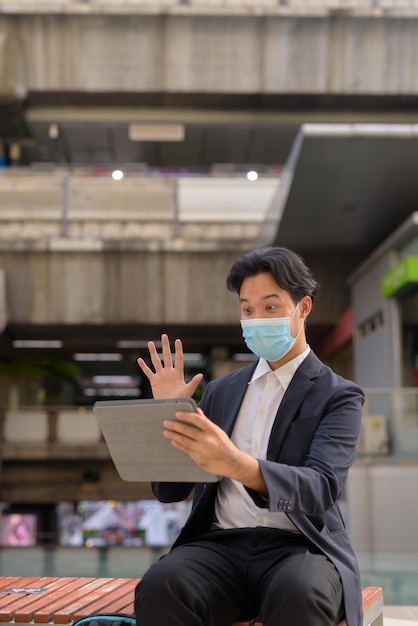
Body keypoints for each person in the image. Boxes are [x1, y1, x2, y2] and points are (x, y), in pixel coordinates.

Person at [134, 246, 364, 626]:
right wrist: (168, 419)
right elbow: (170, 491)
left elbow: (321, 488)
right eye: (247, 309)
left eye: (270, 307)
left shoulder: (338, 395)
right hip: (220, 546)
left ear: (302, 308)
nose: (256, 319)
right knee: (162, 584)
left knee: (300, 594)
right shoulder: (221, 390)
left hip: (300, 548)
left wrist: (237, 465)